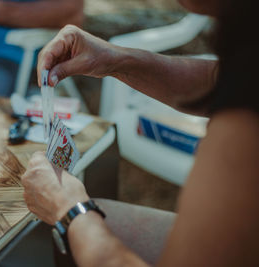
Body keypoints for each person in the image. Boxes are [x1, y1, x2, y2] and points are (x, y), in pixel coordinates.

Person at [21, 0, 259, 266]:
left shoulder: (244, 130)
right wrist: (117, 60)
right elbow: (221, 81)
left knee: (69, 232)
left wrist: (71, 209)